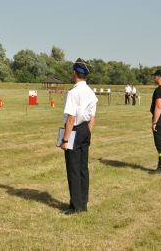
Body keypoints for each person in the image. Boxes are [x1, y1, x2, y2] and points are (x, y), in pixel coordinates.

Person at [60, 58, 98, 215]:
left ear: (75, 73)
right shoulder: (90, 92)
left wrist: (65, 140)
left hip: (74, 130)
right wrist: (88, 131)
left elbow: (70, 118)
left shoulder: (73, 93)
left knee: (73, 169)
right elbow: (92, 117)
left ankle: (75, 206)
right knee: (83, 168)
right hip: (85, 129)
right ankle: (83, 202)